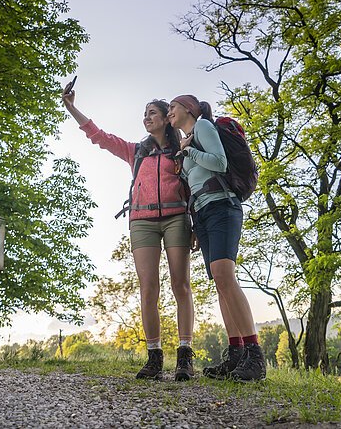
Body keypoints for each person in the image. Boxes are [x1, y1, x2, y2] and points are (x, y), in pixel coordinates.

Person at [63, 85, 195, 381]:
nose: (146, 117)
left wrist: (194, 224)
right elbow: (100, 137)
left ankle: (185, 356)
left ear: (165, 118)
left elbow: (195, 185)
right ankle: (154, 357)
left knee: (180, 285)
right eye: (144, 114)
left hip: (176, 217)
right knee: (148, 288)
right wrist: (72, 108)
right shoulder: (136, 151)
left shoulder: (183, 149)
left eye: (152, 113)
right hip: (141, 221)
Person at [168, 94, 266, 381]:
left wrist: (189, 152)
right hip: (204, 212)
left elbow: (220, 163)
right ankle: (236, 355)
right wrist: (196, 226)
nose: (170, 112)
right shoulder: (188, 138)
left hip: (223, 206)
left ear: (189, 109)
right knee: (220, 283)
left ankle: (255, 357)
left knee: (225, 275)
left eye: (172, 107)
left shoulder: (203, 127)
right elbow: (195, 186)